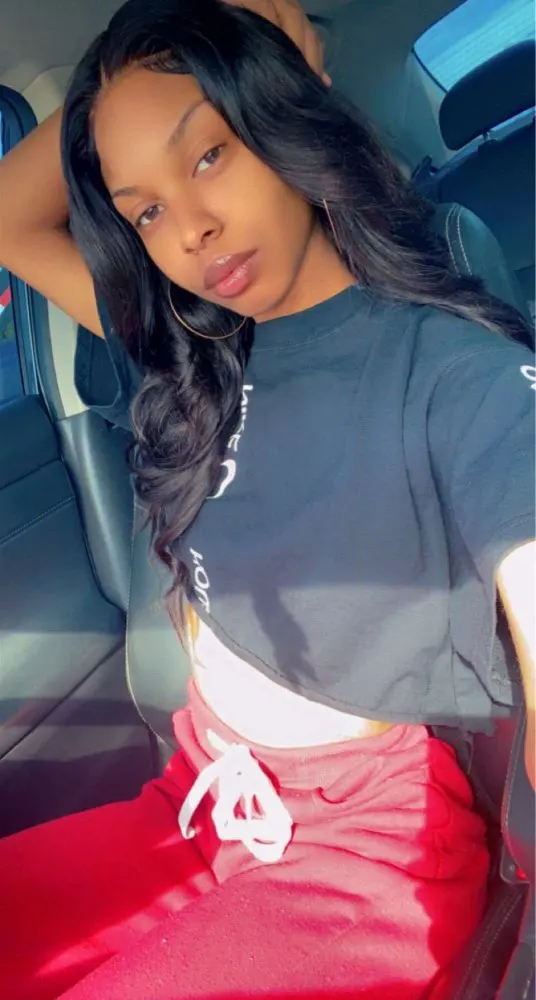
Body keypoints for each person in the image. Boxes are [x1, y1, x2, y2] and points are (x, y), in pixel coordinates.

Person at [0, 0, 534, 997]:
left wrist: (221, 32)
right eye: (144, 209)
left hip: (367, 852)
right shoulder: (185, 355)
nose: (189, 228)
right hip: (197, 801)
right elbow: (7, 214)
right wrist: (141, 63)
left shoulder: (452, 371)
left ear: (279, 117)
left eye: (208, 155)